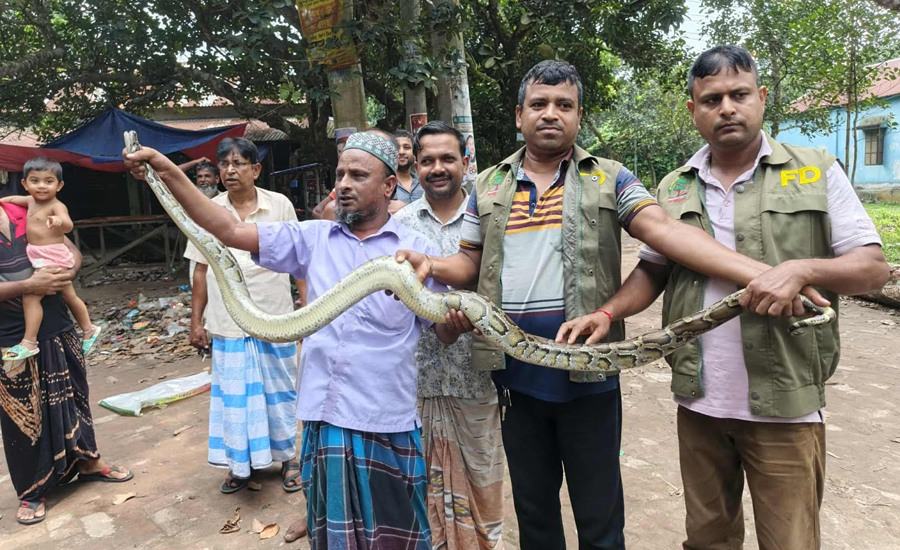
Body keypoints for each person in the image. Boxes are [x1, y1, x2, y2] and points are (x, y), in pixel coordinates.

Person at [398, 60, 824, 549]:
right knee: (534, 514)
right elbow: (468, 262)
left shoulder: (611, 178)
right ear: (519, 115)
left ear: (579, 117)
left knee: (600, 515)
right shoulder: (488, 185)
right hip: (514, 376)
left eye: (564, 105)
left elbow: (662, 232)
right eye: (538, 104)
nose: (550, 114)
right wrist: (429, 263)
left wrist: (768, 276)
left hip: (589, 377)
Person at [559, 46, 890, 550]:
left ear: (761, 98)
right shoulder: (674, 187)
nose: (727, 108)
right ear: (693, 110)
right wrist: (609, 311)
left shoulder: (815, 169)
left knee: (791, 541)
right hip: (700, 401)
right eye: (712, 99)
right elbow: (653, 270)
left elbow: (872, 269)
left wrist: (799, 269)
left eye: (739, 95)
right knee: (708, 538)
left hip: (786, 402)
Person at [124, 131, 469, 549]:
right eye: (340, 174)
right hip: (324, 416)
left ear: (388, 186)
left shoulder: (417, 251)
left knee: (396, 536)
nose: (343, 184)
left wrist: (459, 319)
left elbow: (444, 331)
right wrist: (165, 170)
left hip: (385, 418)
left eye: (358, 175)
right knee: (333, 536)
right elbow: (229, 230)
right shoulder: (312, 239)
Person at [394, 122, 505, 550]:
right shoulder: (398, 223)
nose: (437, 168)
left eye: (447, 159)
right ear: (415, 166)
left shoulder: (490, 218)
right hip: (414, 382)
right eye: (427, 161)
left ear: (465, 162)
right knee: (420, 484)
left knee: (482, 475)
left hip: (477, 378)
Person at [182, 138, 302, 494]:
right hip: (228, 320)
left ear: (256, 169)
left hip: (275, 317)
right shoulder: (207, 209)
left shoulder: (279, 205)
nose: (229, 170)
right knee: (235, 396)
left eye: (238, 163)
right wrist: (195, 321)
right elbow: (200, 271)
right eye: (224, 165)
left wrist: (307, 311)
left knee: (281, 391)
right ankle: (240, 463)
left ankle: (289, 458)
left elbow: (300, 261)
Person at [0, 199, 131, 525]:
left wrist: (65, 274)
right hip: (11, 334)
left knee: (74, 396)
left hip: (58, 322)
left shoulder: (24, 208)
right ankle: (32, 490)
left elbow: (71, 250)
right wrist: (28, 286)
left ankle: (87, 462)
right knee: (23, 415)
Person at [0, 158, 101, 361]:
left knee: (34, 297)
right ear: (25, 184)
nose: (41, 186)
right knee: (67, 295)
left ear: (59, 185)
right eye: (35, 181)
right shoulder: (29, 202)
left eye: (48, 181)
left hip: (52, 262)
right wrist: (28, 284)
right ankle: (89, 328)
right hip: (6, 332)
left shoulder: (52, 206)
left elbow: (69, 230)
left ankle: (29, 341)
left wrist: (58, 222)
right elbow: (10, 199)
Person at [392, 129, 423, 208]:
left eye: (407, 147)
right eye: (397, 147)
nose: (401, 152)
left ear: (414, 152)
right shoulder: (384, 185)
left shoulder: (424, 182)